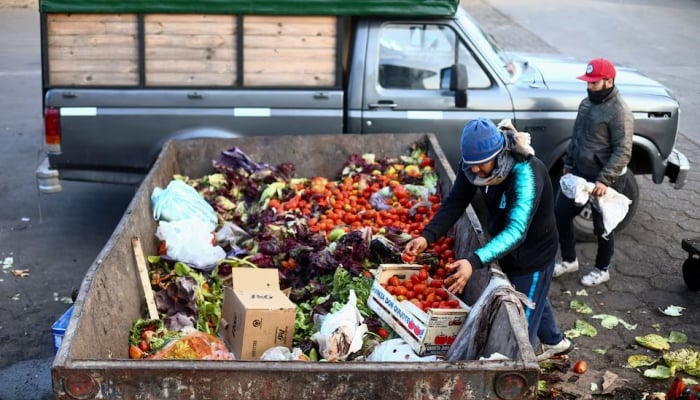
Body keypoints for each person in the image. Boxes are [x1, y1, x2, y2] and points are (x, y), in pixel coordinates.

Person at [404, 117, 571, 361]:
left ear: (499, 153)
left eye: (480, 165)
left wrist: (473, 262)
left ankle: (520, 367)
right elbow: (456, 201)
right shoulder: (473, 164)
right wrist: (427, 236)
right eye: (470, 165)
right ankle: (556, 341)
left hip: (531, 255)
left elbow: (516, 232)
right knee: (533, 296)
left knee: (519, 327)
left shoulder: (526, 175)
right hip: (504, 246)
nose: (473, 170)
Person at [553, 58, 634, 287]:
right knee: (561, 214)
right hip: (579, 173)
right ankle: (569, 260)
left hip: (605, 180)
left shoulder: (620, 111)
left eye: (594, 83)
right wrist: (568, 162)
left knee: (603, 227)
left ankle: (602, 269)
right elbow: (577, 136)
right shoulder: (586, 104)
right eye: (588, 82)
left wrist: (604, 180)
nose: (589, 87)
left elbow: (623, 150)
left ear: (608, 82)